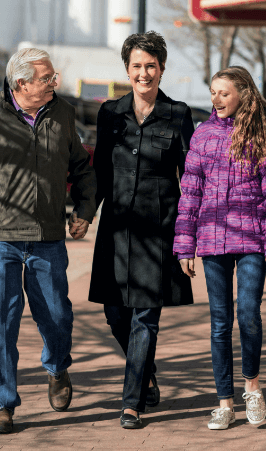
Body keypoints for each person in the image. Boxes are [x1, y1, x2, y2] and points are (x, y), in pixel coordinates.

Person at [0, 48, 96, 434]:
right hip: (0, 240)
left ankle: (58, 367)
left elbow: (81, 167)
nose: (54, 83)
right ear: (21, 83)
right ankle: (2, 403)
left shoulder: (62, 113)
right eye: (47, 79)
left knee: (58, 317)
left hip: (47, 238)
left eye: (53, 77)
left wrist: (83, 210)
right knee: (2, 323)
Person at [173, 66, 266, 429]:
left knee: (248, 315)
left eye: (224, 93)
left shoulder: (264, 132)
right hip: (212, 240)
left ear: (243, 93)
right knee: (220, 323)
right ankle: (224, 402)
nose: (216, 99)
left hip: (253, 239)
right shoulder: (203, 135)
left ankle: (252, 388)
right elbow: (190, 193)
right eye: (212, 93)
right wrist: (184, 245)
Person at [88, 31, 194, 429]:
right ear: (127, 70)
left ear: (162, 69)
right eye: (137, 66)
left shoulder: (179, 114)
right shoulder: (109, 113)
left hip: (159, 231)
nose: (144, 73)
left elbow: (192, 177)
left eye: (151, 66)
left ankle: (131, 402)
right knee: (115, 314)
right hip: (115, 229)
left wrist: (189, 235)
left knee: (145, 318)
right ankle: (146, 371)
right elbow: (99, 170)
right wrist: (85, 212)